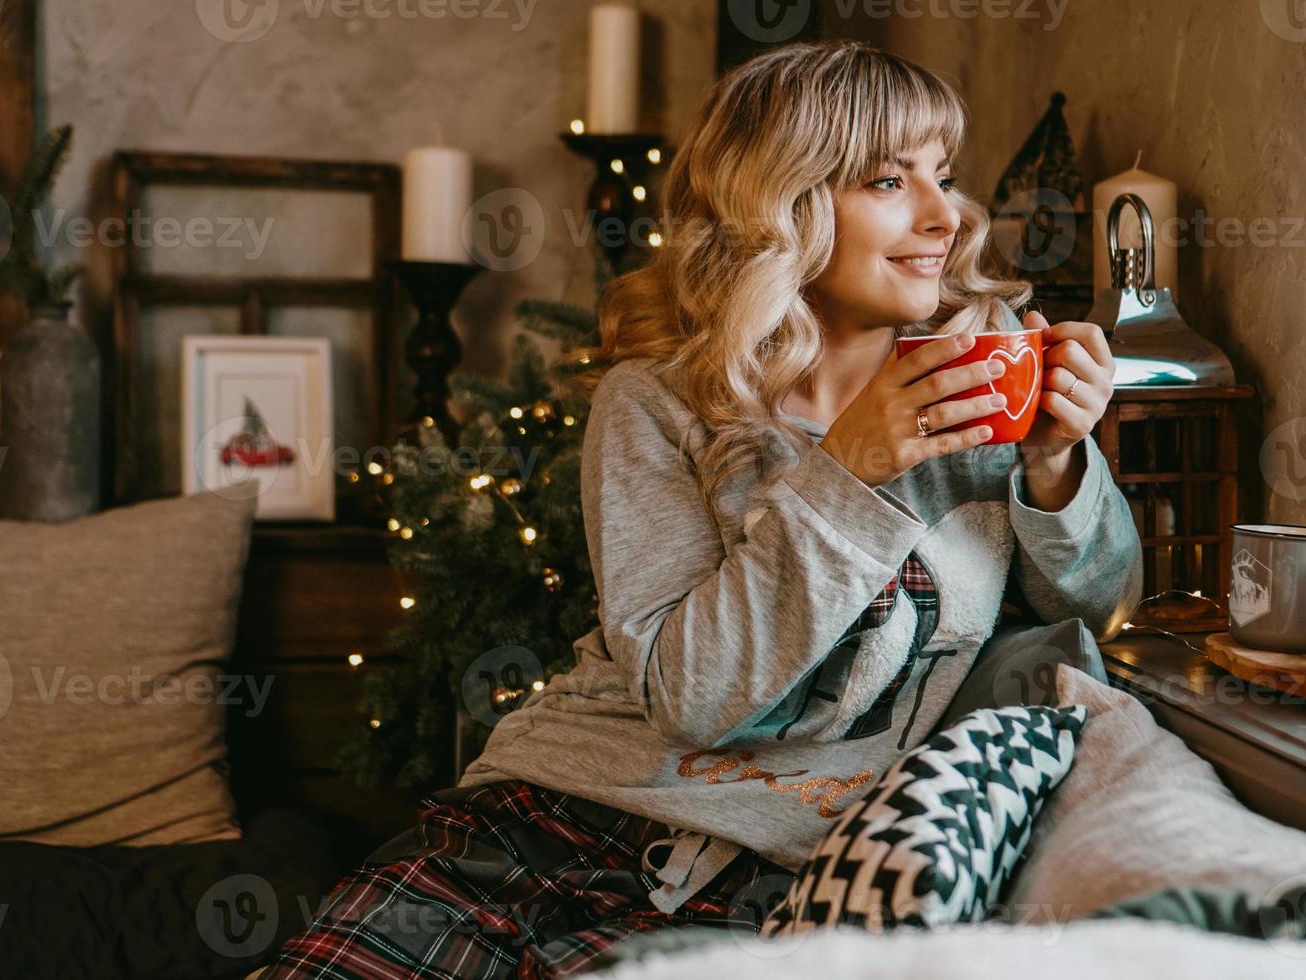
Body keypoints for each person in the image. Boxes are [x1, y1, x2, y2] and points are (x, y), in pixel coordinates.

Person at [264, 39, 1142, 980]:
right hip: (541, 824)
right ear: (785, 208)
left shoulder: (977, 389)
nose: (945, 218)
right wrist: (848, 471)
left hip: (763, 888)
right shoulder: (656, 404)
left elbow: (1099, 612)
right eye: (890, 181)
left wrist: (1056, 463)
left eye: (944, 176)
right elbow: (692, 696)